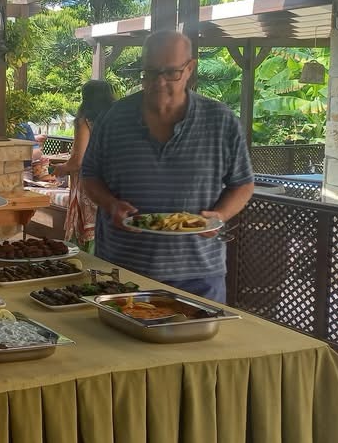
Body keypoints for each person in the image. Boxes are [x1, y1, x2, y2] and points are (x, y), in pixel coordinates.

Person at [81, 31, 254, 302]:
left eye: (171, 72)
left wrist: (219, 215)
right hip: (122, 270)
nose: (159, 82)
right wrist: (111, 205)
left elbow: (242, 184)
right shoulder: (114, 119)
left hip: (198, 275)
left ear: (190, 69)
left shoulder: (221, 121)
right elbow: (90, 176)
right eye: (151, 72)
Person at [54, 80, 116, 253]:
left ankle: (85, 263)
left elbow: (78, 161)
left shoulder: (85, 121)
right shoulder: (115, 119)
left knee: (86, 234)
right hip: (111, 180)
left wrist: (62, 168)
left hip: (90, 181)